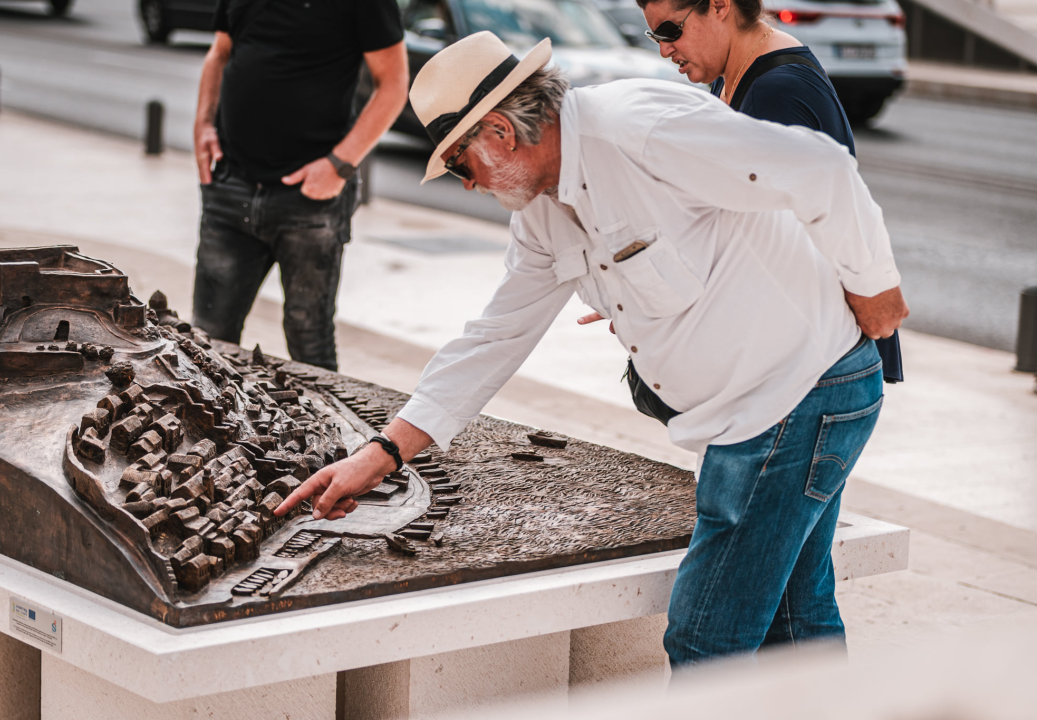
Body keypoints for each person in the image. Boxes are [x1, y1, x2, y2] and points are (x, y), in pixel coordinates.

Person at [275, 31, 910, 667]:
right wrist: (383, 453)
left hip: (796, 396)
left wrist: (875, 287)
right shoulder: (541, 215)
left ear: (500, 132)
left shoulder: (639, 128)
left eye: (462, 165)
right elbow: (496, 335)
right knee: (794, 620)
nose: (468, 185)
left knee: (705, 636)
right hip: (765, 404)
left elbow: (820, 169)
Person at [624, 0, 904, 385]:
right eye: (654, 35)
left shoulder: (776, 91)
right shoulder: (734, 74)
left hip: (809, 364)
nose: (664, 48)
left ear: (720, 6)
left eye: (671, 31)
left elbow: (789, 238)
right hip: (803, 347)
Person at [190, 0, 408, 371]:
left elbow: (393, 84)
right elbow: (220, 53)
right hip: (231, 185)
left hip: (311, 200)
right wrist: (203, 124)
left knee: (309, 341)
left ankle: (325, 431)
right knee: (207, 339)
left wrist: (338, 166)